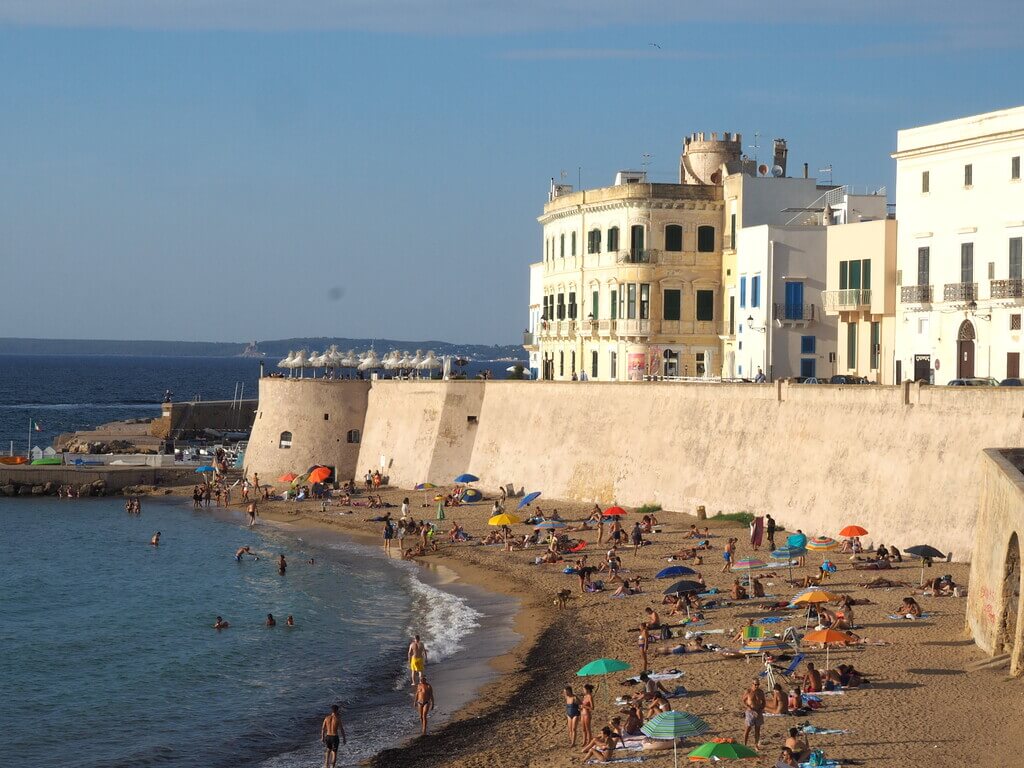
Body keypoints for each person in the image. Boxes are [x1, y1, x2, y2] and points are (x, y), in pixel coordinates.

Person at [742, 679, 766, 748]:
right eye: (755, 684)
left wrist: (762, 708)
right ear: (752, 684)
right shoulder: (748, 691)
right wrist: (748, 707)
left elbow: (764, 701)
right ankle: (745, 744)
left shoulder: (761, 692)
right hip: (750, 712)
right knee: (748, 729)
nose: (757, 686)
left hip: (758, 711)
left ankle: (756, 745)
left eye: (758, 684)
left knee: (757, 730)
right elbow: (743, 700)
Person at [321, 704, 346, 768]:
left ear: (331, 710)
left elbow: (323, 728)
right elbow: (341, 729)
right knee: (334, 752)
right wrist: (344, 738)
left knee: (328, 750)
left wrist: (322, 737)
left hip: (328, 736)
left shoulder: (327, 718)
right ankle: (332, 766)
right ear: (337, 710)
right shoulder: (338, 718)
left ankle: (326, 765)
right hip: (334, 737)